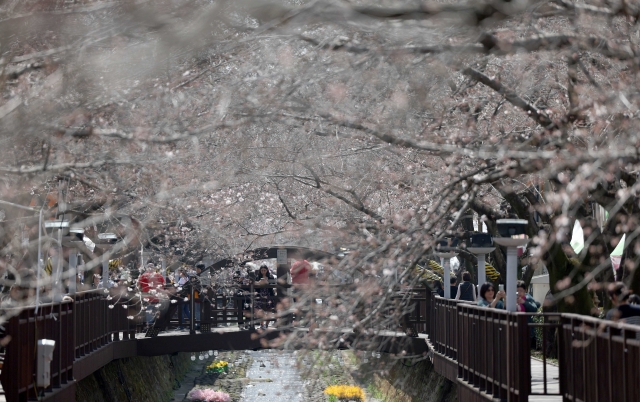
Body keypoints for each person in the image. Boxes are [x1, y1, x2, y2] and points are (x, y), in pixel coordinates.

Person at [254, 265, 276, 329]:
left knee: (269, 310)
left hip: (268, 294)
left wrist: (267, 283)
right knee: (260, 310)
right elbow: (255, 285)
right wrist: (258, 283)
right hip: (260, 294)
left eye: (264, 270)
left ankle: (266, 324)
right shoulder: (258, 277)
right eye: (262, 270)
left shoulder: (270, 277)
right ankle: (262, 324)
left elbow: (273, 285)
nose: (263, 272)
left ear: (267, 270)